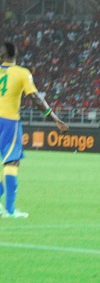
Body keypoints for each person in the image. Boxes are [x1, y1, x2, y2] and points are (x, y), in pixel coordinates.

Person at [0, 42, 69, 218]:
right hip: (8, 122)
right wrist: (54, 119)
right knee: (12, 163)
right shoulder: (22, 73)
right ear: (15, 55)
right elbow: (36, 99)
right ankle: (9, 210)